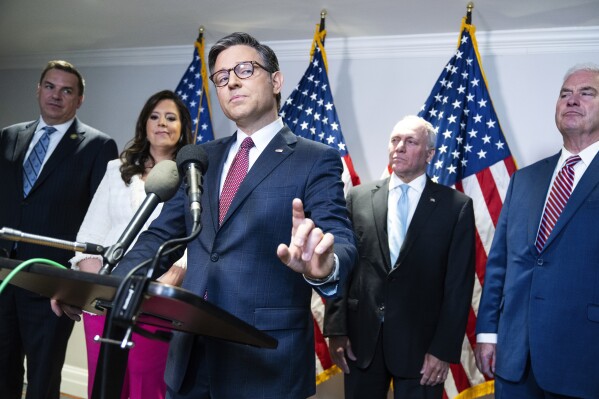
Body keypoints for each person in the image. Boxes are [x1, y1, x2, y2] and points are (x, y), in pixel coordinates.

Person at [54, 32, 357, 399]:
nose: (231, 81)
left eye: (245, 69)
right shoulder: (200, 157)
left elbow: (338, 238)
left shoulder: (315, 158)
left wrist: (324, 267)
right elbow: (158, 238)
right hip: (189, 357)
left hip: (264, 359)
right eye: (221, 76)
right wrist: (99, 288)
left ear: (276, 80)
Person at [324, 115, 476, 399]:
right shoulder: (358, 198)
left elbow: (459, 285)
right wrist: (336, 328)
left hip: (422, 350)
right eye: (395, 140)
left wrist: (442, 350)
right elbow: (341, 268)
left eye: (410, 141)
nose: (399, 147)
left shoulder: (456, 207)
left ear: (429, 153)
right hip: (361, 344)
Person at [474, 64, 599, 399]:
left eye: (586, 93)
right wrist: (487, 332)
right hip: (515, 358)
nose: (572, 100)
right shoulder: (524, 179)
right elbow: (500, 262)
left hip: (585, 358)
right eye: (564, 94)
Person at [0, 60, 118, 399]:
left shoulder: (98, 146)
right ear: (38, 90)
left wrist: (76, 284)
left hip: (51, 283)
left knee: (43, 376)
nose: (56, 95)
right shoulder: (9, 136)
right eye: (50, 87)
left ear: (79, 99)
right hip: (4, 273)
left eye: (67, 90)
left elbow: (100, 219)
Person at [69, 90, 192, 399]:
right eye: (154, 116)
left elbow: (191, 240)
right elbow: (90, 237)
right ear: (144, 124)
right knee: (104, 382)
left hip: (156, 298)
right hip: (106, 294)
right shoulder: (116, 170)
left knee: (146, 384)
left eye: (171, 117)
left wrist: (161, 283)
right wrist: (101, 288)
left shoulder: (193, 178)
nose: (161, 123)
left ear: (183, 128)